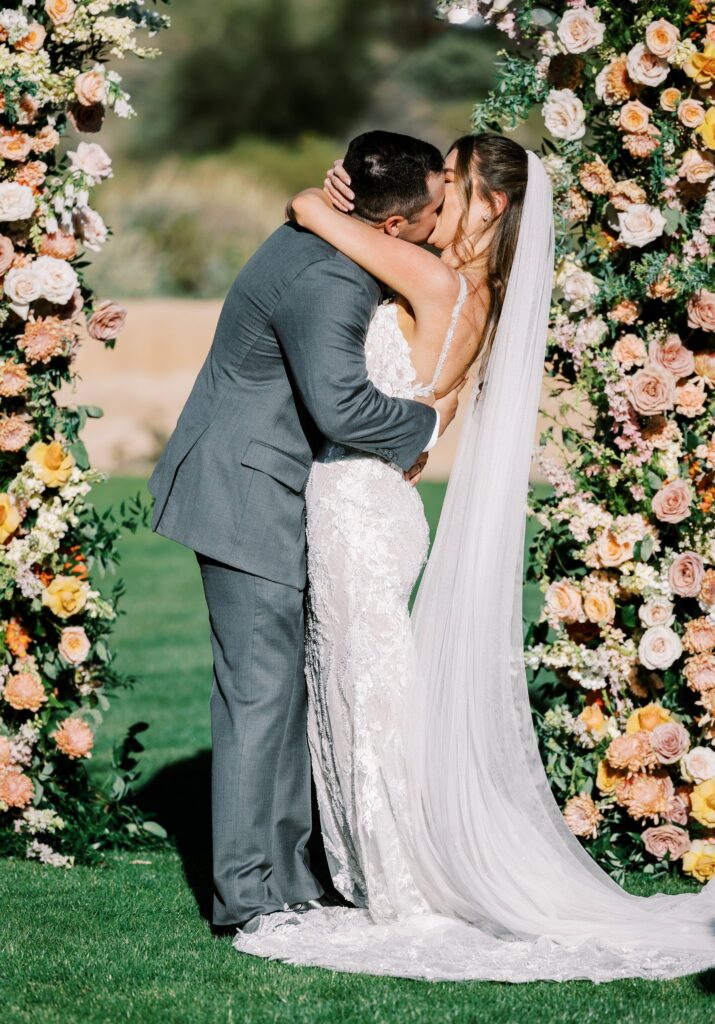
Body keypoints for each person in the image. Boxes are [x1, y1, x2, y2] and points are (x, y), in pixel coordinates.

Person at [232, 132, 715, 982]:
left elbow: (313, 211)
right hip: (373, 502)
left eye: (450, 182)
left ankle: (398, 881)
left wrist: (318, 198)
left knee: (368, 691)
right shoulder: (472, 290)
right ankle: (374, 866)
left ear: (488, 206)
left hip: (358, 504)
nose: (438, 193)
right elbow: (435, 411)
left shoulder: (438, 279)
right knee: (361, 685)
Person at [146, 130, 464, 932]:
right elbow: (343, 408)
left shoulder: (325, 229)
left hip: (261, 480)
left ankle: (287, 874)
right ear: (393, 227)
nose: (439, 223)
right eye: (431, 213)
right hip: (246, 488)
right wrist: (429, 424)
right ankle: (249, 895)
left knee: (279, 686)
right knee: (258, 693)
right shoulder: (331, 274)